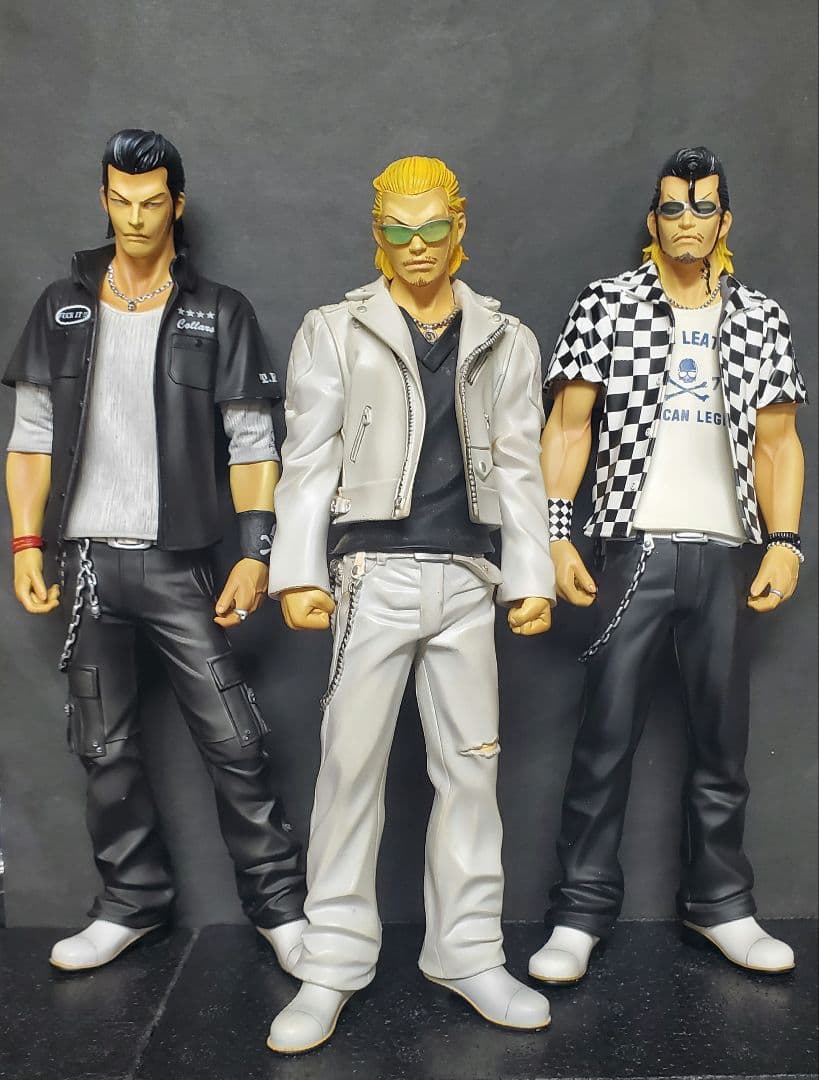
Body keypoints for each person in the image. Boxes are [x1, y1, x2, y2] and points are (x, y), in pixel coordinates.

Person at [265, 155, 555, 1052]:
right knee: (349, 770)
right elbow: (306, 458)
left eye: (432, 227)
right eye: (399, 229)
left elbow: (521, 466)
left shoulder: (504, 337)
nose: (417, 245)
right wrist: (298, 571)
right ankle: (332, 960)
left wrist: (531, 576)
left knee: (471, 770)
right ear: (376, 232)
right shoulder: (334, 329)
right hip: (370, 577)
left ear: (458, 226)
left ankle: (466, 950)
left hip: (468, 579)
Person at [4, 129, 306, 972]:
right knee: (102, 745)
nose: (135, 218)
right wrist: (26, 541)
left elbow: (253, 442)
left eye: (151, 202)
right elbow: (30, 436)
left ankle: (280, 909)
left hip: (181, 563)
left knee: (235, 739)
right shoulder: (62, 308)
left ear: (177, 203)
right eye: (120, 200)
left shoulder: (219, 310)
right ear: (104, 199)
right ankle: (130, 900)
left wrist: (255, 552)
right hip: (87, 563)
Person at [531, 146, 807, 983]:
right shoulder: (608, 304)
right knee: (604, 737)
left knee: (722, 742)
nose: (688, 222)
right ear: (653, 220)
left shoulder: (759, 317)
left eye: (703, 207)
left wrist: (784, 541)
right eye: (673, 208)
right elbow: (568, 425)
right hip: (634, 547)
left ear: (725, 219)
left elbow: (778, 442)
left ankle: (720, 904)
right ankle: (579, 911)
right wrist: (555, 533)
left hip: (722, 553)